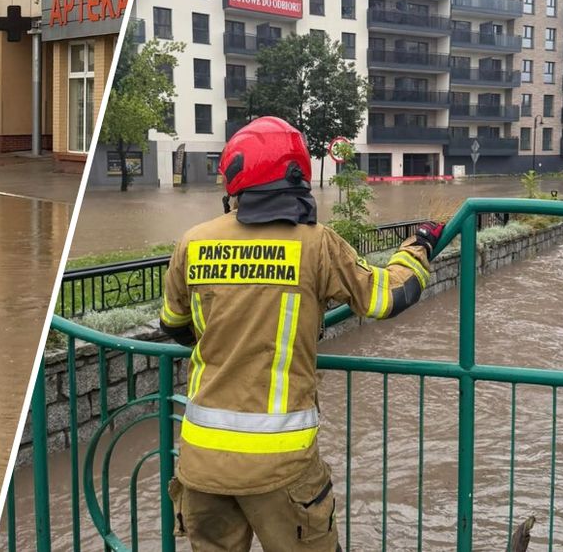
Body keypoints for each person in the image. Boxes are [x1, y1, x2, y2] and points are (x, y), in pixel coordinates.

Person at [158, 117, 442, 552]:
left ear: (237, 179)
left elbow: (174, 326)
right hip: (281, 469)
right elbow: (386, 298)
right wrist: (418, 247)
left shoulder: (192, 243)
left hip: (201, 465)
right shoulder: (315, 243)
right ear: (297, 179)